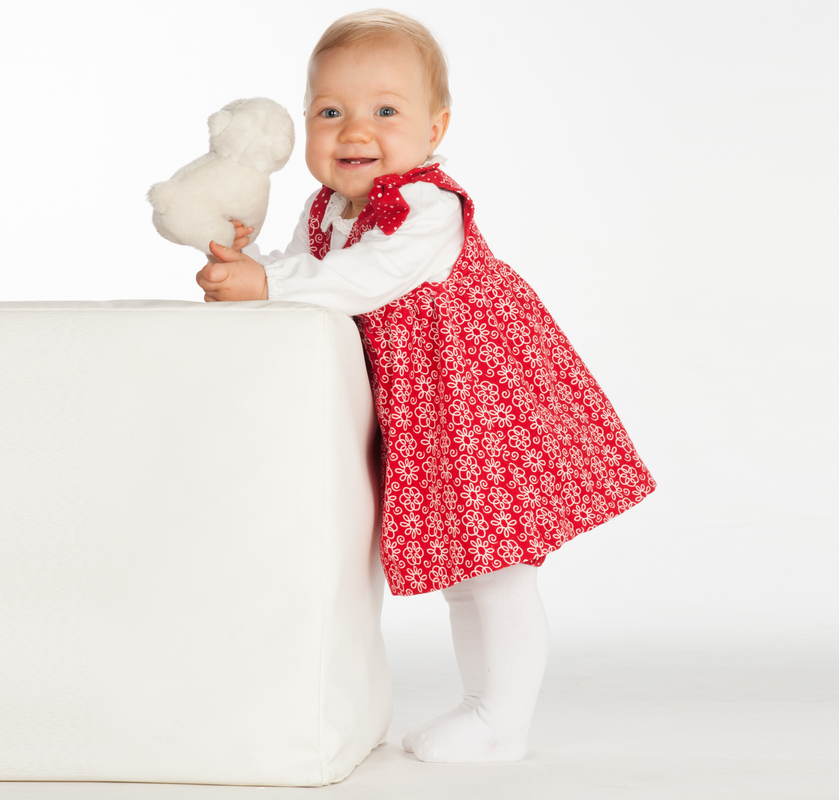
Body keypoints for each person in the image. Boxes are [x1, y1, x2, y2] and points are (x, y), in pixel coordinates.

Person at [195, 9, 656, 763]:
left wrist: (268, 284)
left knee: (495, 568)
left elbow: (363, 278)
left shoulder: (425, 207)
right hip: (429, 413)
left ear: (435, 128)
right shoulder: (327, 209)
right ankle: (484, 708)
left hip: (482, 403)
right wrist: (253, 265)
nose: (354, 131)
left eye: (386, 111)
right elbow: (313, 275)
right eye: (330, 112)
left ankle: (499, 719)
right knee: (464, 572)